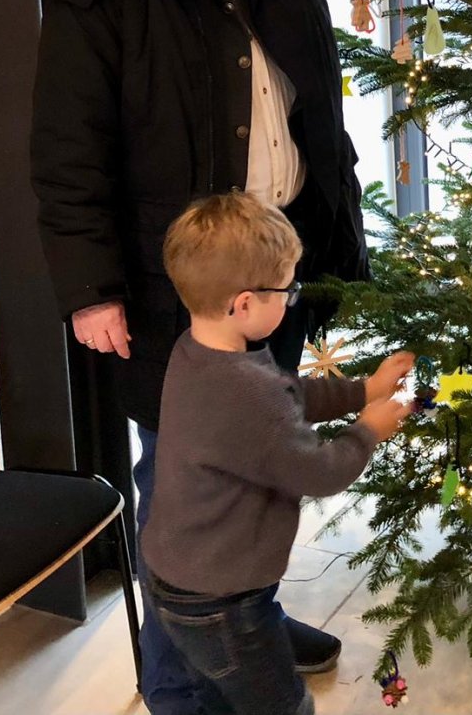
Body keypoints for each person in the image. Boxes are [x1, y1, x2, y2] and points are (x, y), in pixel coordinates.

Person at [30, 0, 472, 715]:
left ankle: (246, 607)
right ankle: (177, 683)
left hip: (277, 262)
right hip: (175, 282)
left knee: (264, 433)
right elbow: (65, 145)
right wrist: (89, 289)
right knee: (181, 481)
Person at [140, 192, 411, 715]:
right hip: (224, 602)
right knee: (282, 706)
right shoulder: (244, 390)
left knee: (220, 699)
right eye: (285, 291)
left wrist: (363, 389)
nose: (290, 301)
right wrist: (368, 430)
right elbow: (320, 470)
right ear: (244, 304)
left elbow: (287, 394)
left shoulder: (196, 352)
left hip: (182, 580)